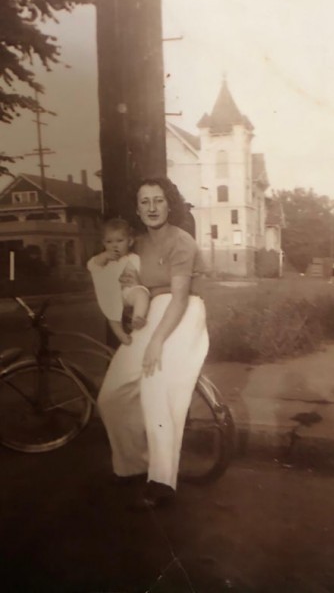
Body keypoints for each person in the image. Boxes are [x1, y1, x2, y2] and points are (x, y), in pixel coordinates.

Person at [97, 177, 209, 509]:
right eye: (144, 202)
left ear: (169, 204)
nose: (151, 208)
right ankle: (133, 463)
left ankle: (162, 479)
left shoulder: (182, 242)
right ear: (137, 209)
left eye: (158, 200)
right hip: (152, 313)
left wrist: (157, 341)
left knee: (155, 385)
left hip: (184, 311)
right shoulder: (138, 244)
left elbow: (178, 298)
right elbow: (127, 282)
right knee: (111, 395)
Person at [87, 218, 150, 346]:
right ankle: (121, 334)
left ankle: (137, 317)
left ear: (130, 241)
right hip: (112, 294)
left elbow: (140, 276)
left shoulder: (134, 258)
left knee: (142, 293)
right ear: (103, 243)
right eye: (109, 242)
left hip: (128, 293)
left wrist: (137, 281)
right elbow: (91, 266)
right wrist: (103, 257)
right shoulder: (105, 261)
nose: (114, 245)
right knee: (112, 314)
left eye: (120, 241)